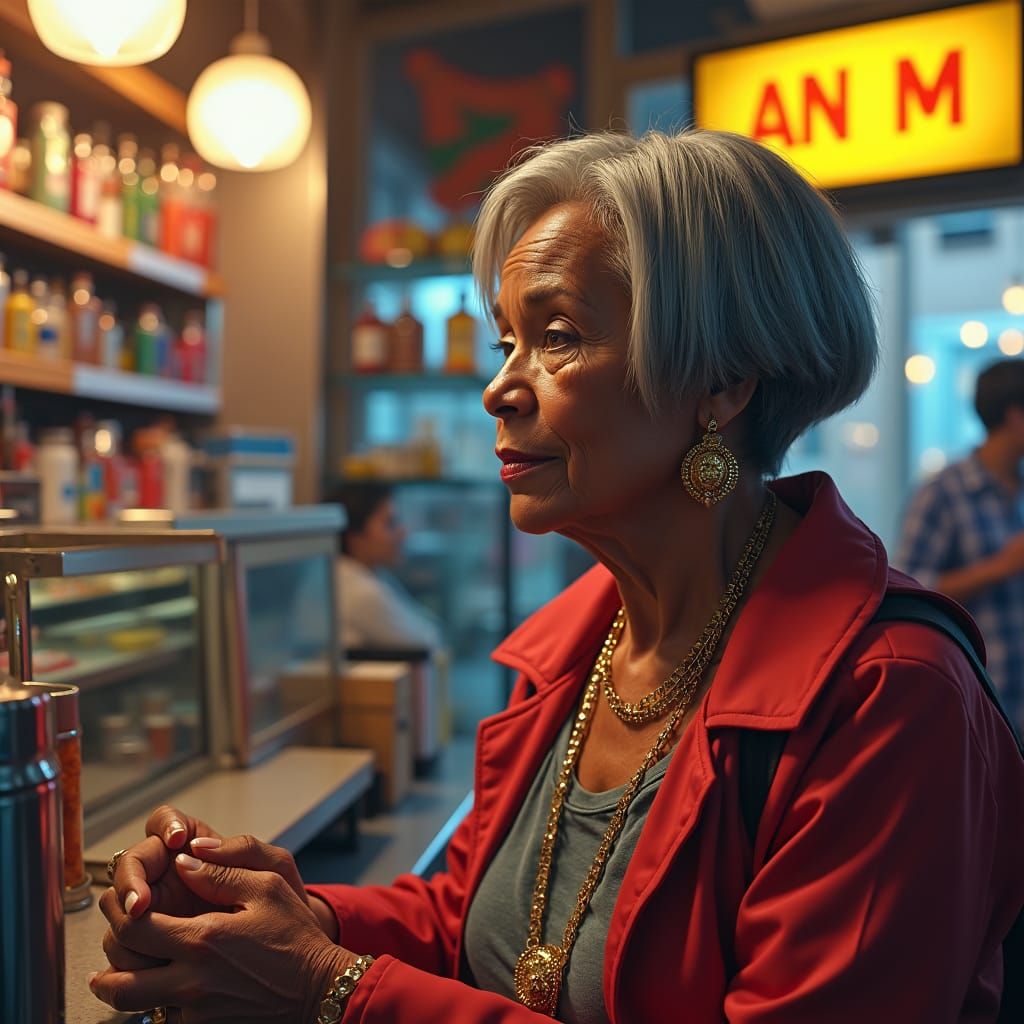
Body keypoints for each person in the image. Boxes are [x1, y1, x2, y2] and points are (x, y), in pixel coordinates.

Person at [93, 129, 1024, 1023]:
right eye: (506, 341)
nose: (500, 385)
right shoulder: (581, 642)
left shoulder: (889, 701)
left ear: (725, 382)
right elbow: (475, 921)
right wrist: (280, 918)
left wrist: (331, 991)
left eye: (560, 335)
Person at [898, 358, 1024, 736]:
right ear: (1015, 416)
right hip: (982, 707)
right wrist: (999, 567)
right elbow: (908, 592)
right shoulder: (943, 493)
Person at [330, 481, 442, 653]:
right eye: (390, 524)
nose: (402, 532)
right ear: (354, 537)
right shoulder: (361, 592)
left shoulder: (357, 575)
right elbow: (426, 641)